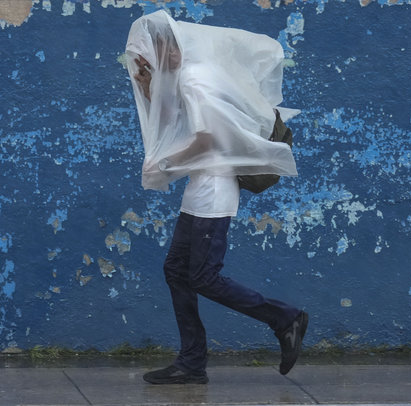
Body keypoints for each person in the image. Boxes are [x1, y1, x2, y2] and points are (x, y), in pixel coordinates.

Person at [126, 10, 308, 385]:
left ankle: (284, 318)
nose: (160, 57)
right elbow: (176, 120)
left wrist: (165, 163)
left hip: (213, 191)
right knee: (177, 271)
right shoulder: (190, 76)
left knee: (204, 277)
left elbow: (209, 140)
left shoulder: (196, 79)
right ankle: (192, 363)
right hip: (200, 189)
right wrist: (149, 87)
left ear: (173, 46)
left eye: (160, 49)